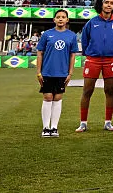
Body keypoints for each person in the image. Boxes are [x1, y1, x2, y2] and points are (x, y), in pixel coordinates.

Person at [77, 0, 113, 133]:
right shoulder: (91, 22)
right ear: (101, 4)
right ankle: (83, 123)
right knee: (87, 91)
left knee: (110, 91)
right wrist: (90, 52)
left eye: (112, 3)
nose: (109, 5)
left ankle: (108, 122)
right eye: (106, 2)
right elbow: (84, 41)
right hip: (93, 59)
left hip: (110, 60)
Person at [36, 9, 77, 138]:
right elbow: (39, 53)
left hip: (62, 73)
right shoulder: (47, 35)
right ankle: (45, 127)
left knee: (58, 98)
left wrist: (70, 73)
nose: (60, 19)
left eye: (63, 17)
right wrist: (38, 72)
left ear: (67, 20)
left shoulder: (71, 36)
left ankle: (54, 127)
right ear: (54, 19)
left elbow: (72, 55)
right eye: (58, 17)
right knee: (47, 97)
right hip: (47, 72)